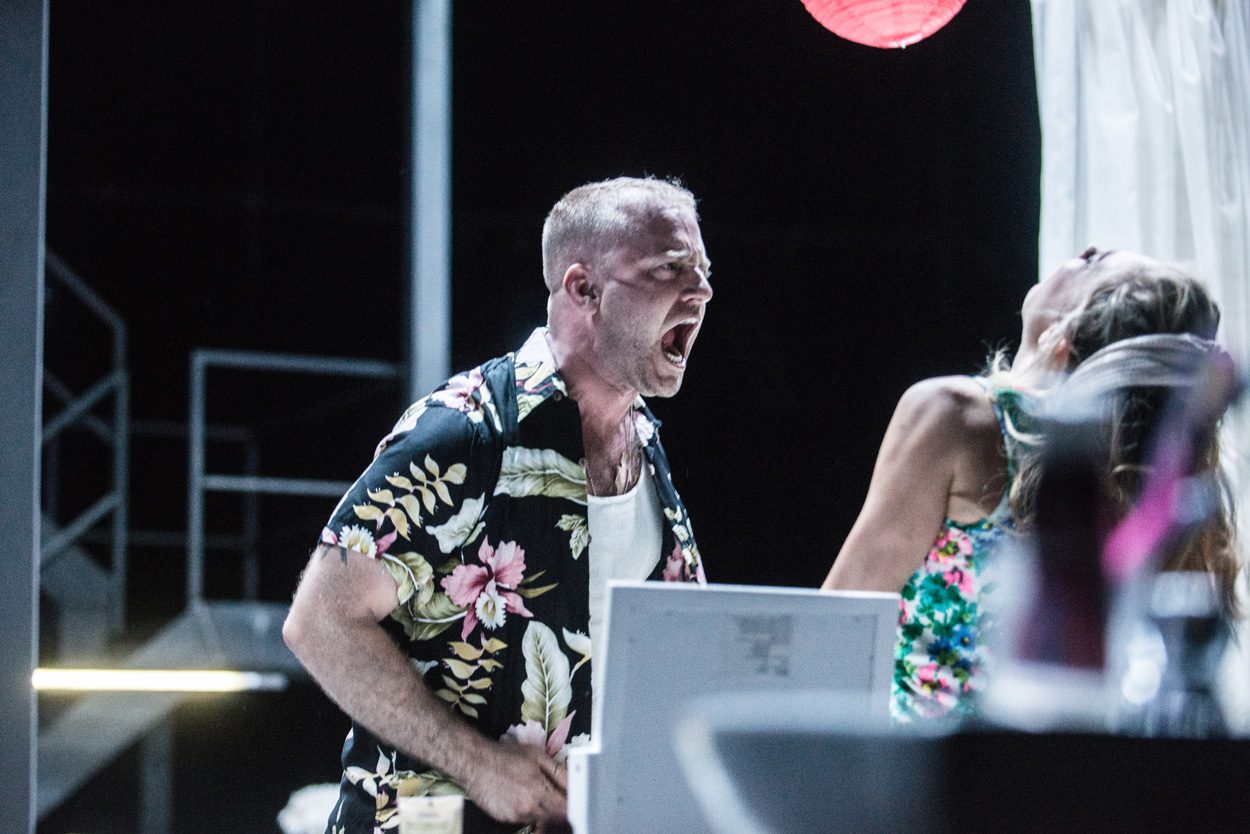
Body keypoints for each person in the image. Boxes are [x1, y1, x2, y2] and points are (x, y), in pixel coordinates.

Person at [283, 176, 713, 833]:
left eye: (704, 270)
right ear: (583, 289)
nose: (701, 290)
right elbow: (318, 622)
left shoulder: (646, 446)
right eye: (669, 268)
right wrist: (478, 764)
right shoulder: (467, 431)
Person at [821, 247, 1240, 721]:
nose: (1077, 253)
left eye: (1091, 261)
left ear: (1061, 338)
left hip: (923, 779)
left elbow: (839, 621)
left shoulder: (955, 415)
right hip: (1063, 776)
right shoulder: (1165, 498)